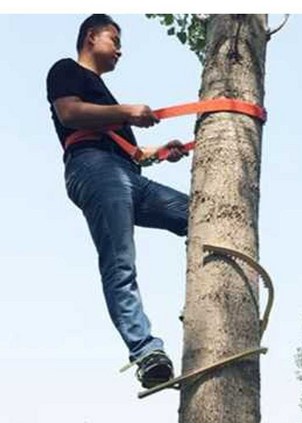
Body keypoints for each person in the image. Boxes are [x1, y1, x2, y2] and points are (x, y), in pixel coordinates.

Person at [46, 14, 189, 389]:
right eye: (114, 40)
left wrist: (159, 152)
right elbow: (70, 113)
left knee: (198, 215)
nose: (121, 51)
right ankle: (146, 352)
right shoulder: (65, 70)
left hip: (127, 173)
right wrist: (128, 111)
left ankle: (204, 303)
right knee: (120, 263)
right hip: (93, 169)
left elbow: (131, 152)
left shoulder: (105, 96)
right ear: (91, 37)